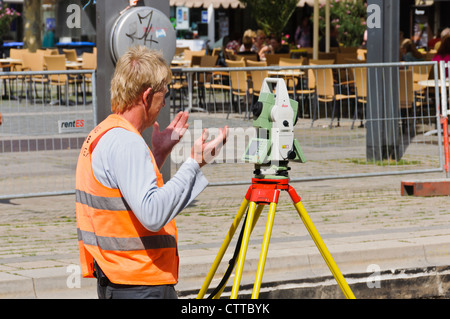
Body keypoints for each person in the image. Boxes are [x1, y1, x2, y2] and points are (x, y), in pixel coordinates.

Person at [75, 46, 228, 299]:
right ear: (147, 96)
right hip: (139, 283)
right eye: (163, 94)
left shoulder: (103, 132)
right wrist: (194, 163)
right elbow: (152, 214)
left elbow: (125, 196)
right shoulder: (128, 143)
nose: (165, 102)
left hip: (119, 279)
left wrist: (158, 154)